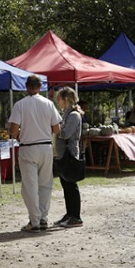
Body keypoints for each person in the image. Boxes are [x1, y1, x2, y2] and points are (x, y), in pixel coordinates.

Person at [7, 75, 61, 232]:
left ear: (26, 86)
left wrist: (18, 136)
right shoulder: (49, 104)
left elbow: (14, 129)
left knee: (30, 186)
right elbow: (57, 129)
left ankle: (34, 220)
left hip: (28, 147)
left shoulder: (20, 105)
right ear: (40, 86)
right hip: (45, 146)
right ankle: (43, 218)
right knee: (45, 184)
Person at [53, 88, 85, 228]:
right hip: (62, 154)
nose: (58, 102)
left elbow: (65, 134)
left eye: (59, 99)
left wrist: (55, 128)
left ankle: (76, 216)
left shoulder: (74, 115)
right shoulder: (64, 114)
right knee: (65, 185)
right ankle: (69, 213)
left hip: (70, 154)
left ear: (66, 99)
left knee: (71, 185)